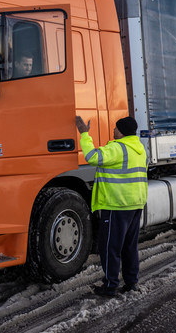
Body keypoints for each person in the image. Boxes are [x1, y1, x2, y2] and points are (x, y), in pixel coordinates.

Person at [75, 115, 148, 297]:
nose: (113, 131)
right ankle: (131, 283)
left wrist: (85, 134)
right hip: (135, 203)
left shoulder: (117, 148)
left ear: (121, 131)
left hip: (117, 204)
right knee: (129, 246)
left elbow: (92, 157)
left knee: (110, 247)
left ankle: (110, 285)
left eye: (115, 129)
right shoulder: (139, 148)